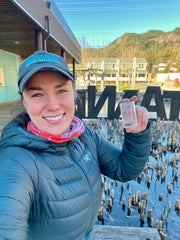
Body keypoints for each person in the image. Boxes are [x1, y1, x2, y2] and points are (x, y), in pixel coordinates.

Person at [0, 51, 152, 240]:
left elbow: (124, 170)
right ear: (24, 100)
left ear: (73, 93)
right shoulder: (15, 159)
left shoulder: (84, 135)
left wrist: (138, 136)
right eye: (37, 94)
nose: (53, 105)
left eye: (61, 90)